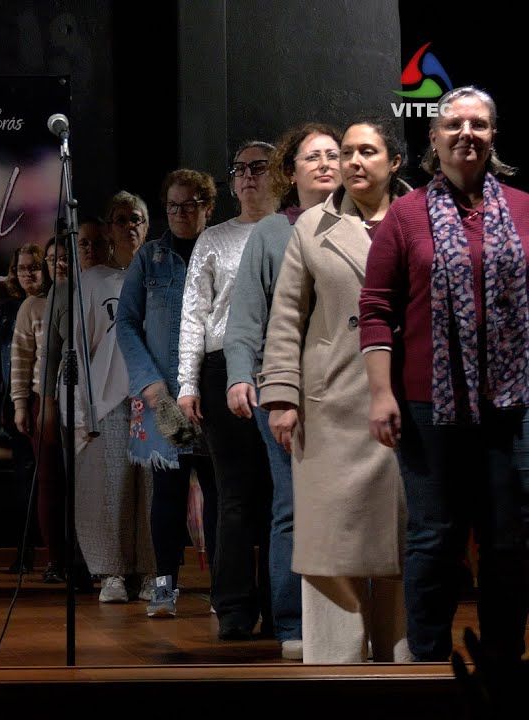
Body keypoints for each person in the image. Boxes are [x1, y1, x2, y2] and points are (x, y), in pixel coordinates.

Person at [361, 86, 529, 664]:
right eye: (453, 124)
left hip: (512, 407)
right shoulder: (406, 216)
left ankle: (503, 664)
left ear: (493, 137)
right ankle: (428, 664)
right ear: (433, 138)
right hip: (430, 405)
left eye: (478, 125)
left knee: (509, 541)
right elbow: (377, 309)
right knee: (436, 537)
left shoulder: (526, 208)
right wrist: (381, 393)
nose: (467, 134)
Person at [259, 119, 411, 664]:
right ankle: (334, 669)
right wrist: (282, 396)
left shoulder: (418, 218)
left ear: (392, 162)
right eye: (346, 152)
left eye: (366, 151)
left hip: (402, 401)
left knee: (398, 541)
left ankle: (401, 659)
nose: (351, 162)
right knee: (330, 543)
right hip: (330, 406)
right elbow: (285, 319)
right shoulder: (311, 227)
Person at [224, 122, 342, 660]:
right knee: (291, 508)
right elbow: (246, 317)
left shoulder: (360, 222)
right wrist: (240, 376)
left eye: (333, 155)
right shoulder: (272, 233)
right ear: (289, 172)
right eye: (311, 157)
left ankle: (343, 617)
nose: (325, 165)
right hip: (286, 390)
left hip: (346, 388)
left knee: (346, 505)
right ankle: (292, 622)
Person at [177, 142, 276, 640]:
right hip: (221, 370)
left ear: (278, 174)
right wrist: (187, 383)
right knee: (235, 496)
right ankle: (234, 607)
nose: (249, 177)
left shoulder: (292, 229)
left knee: (283, 496)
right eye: (239, 170)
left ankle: (282, 608)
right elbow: (193, 312)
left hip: (279, 365)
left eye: (259, 168)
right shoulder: (215, 238)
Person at [116, 169, 220, 619]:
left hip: (213, 392)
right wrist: (152, 385)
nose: (181, 213)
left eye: (191, 204)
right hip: (163, 396)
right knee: (169, 490)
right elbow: (126, 323)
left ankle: (224, 585)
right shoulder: (151, 258)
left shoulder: (222, 250)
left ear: (208, 206)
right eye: (173, 206)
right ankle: (165, 585)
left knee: (220, 491)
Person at [45, 192, 156, 603]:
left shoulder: (159, 273)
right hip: (109, 398)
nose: (129, 225)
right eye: (121, 218)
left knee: (151, 492)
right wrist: (75, 406)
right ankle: (112, 572)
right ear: (109, 228)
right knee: (110, 487)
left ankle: (150, 571)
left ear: (147, 225)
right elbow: (78, 348)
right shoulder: (93, 282)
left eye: (137, 218)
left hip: (154, 394)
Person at [10, 238, 70, 583]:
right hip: (43, 400)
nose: (57, 264)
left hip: (86, 402)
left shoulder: (86, 294)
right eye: (51, 259)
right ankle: (56, 559)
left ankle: (87, 556)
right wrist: (21, 404)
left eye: (63, 257)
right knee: (50, 481)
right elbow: (21, 359)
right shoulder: (33, 306)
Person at [0, 244, 47, 573]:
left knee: (50, 482)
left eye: (34, 267)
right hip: (16, 406)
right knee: (24, 483)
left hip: (47, 402)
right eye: (22, 268)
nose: (27, 274)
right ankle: (24, 553)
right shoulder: (7, 311)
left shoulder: (56, 303)